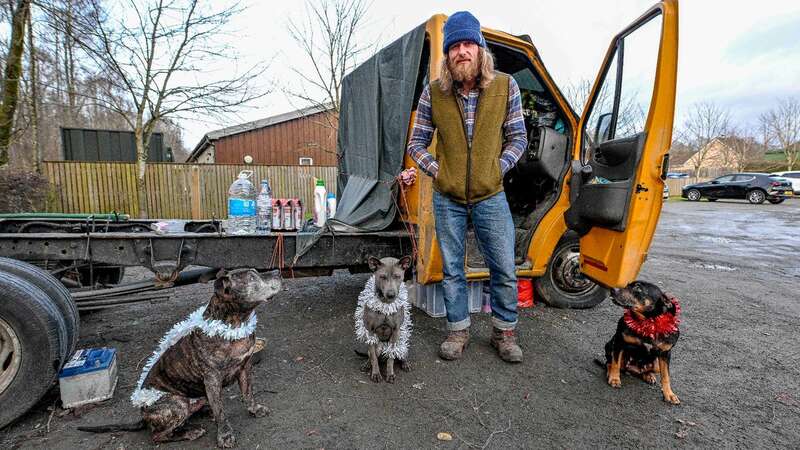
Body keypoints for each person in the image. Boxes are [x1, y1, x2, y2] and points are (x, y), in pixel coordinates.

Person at [403, 11, 527, 363]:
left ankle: (504, 332)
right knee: (453, 268)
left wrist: (496, 168)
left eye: (467, 43)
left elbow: (518, 137)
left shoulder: (506, 86)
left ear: (480, 48)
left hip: (491, 194)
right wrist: (438, 171)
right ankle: (458, 329)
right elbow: (416, 143)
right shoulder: (435, 92)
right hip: (448, 197)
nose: (461, 51)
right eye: (454, 46)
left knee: (503, 265)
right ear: (447, 55)